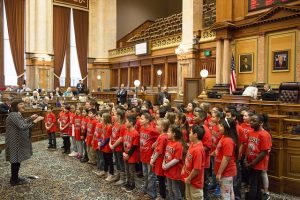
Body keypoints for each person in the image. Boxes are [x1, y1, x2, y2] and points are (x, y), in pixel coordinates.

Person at [5, 99, 44, 186]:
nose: (23, 105)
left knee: (17, 160)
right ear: (15, 106)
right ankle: (14, 180)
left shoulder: (16, 115)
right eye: (21, 104)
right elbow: (22, 126)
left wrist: (30, 118)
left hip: (16, 141)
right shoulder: (13, 115)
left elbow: (21, 122)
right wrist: (35, 121)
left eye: (23, 103)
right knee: (15, 161)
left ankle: (14, 178)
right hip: (14, 142)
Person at [181, 125, 206, 200]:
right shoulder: (192, 143)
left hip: (195, 182)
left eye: (190, 133)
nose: (189, 134)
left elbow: (196, 169)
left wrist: (188, 178)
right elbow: (188, 159)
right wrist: (183, 168)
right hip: (188, 179)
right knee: (188, 197)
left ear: (195, 135)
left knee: (195, 197)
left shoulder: (198, 150)